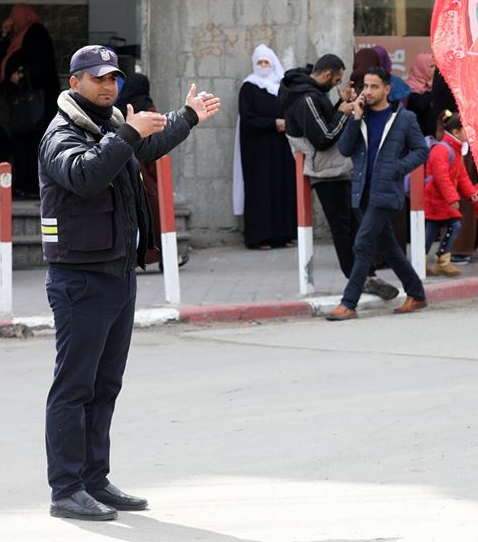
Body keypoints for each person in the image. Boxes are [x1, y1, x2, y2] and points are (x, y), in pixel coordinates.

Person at [40, 45, 221, 520]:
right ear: (75, 82)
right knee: (74, 388)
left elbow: (146, 146)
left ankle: (94, 479)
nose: (108, 86)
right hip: (80, 278)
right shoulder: (61, 133)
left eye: (113, 78)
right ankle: (66, 489)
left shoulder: (111, 125)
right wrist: (127, 132)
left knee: (105, 386)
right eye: (98, 78)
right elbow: (85, 174)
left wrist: (187, 116)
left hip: (118, 273)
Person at [279, 54, 399, 301]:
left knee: (356, 224)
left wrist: (340, 105)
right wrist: (345, 112)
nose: (336, 84)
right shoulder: (306, 98)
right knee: (344, 228)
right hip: (326, 171)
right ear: (326, 74)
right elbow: (323, 138)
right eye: (336, 80)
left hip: (336, 168)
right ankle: (359, 278)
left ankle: (367, 275)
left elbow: (322, 124)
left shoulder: (312, 94)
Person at [326, 67, 429, 321]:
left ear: (387, 89)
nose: (368, 91)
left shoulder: (404, 119)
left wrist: (397, 168)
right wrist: (355, 117)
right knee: (389, 247)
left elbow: (421, 150)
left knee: (362, 244)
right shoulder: (361, 115)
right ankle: (416, 294)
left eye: (374, 86)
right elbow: (345, 149)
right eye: (365, 86)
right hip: (362, 190)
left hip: (385, 191)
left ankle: (349, 303)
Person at [113, 73, 189, 269]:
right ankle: (166, 258)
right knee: (155, 216)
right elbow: (155, 141)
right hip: (144, 174)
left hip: (120, 169)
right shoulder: (147, 108)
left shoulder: (117, 110)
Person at [0, 3, 59, 197]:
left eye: (14, 16)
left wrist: (23, 74)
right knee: (22, 143)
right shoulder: (18, 36)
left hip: (36, 102)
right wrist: (4, 34)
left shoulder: (35, 32)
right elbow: (4, 58)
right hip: (22, 102)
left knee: (32, 143)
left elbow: (42, 62)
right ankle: (24, 184)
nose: (12, 19)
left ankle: (33, 186)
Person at [238, 44, 296, 249]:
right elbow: (247, 116)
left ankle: (284, 234)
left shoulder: (281, 86)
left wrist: (286, 122)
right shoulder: (249, 86)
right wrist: (272, 123)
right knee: (261, 189)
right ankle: (259, 237)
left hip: (281, 147)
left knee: (283, 186)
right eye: (259, 62)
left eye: (266, 62)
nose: (263, 66)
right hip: (258, 149)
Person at [423, 111, 478, 277]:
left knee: (432, 229)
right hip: (436, 199)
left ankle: (425, 260)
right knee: (453, 225)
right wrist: (452, 198)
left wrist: (470, 192)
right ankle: (441, 260)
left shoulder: (454, 149)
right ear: (456, 132)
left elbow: (461, 176)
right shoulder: (442, 150)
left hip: (441, 199)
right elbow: (442, 178)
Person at [406, 52, 437, 138]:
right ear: (421, 68)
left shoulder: (433, 87)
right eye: (431, 66)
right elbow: (420, 106)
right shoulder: (411, 89)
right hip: (417, 138)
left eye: (436, 66)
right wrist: (431, 90)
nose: (435, 70)